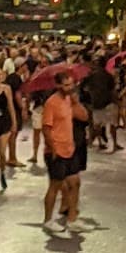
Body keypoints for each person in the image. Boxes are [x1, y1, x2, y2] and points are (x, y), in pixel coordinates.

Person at [41, 70, 88, 233]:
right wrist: (52, 148)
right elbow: (46, 128)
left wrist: (76, 103)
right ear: (58, 85)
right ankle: (48, 220)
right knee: (55, 185)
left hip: (70, 148)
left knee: (75, 183)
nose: (70, 88)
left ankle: (72, 219)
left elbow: (84, 117)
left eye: (71, 84)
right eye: (66, 85)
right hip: (56, 150)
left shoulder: (69, 100)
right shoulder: (51, 103)